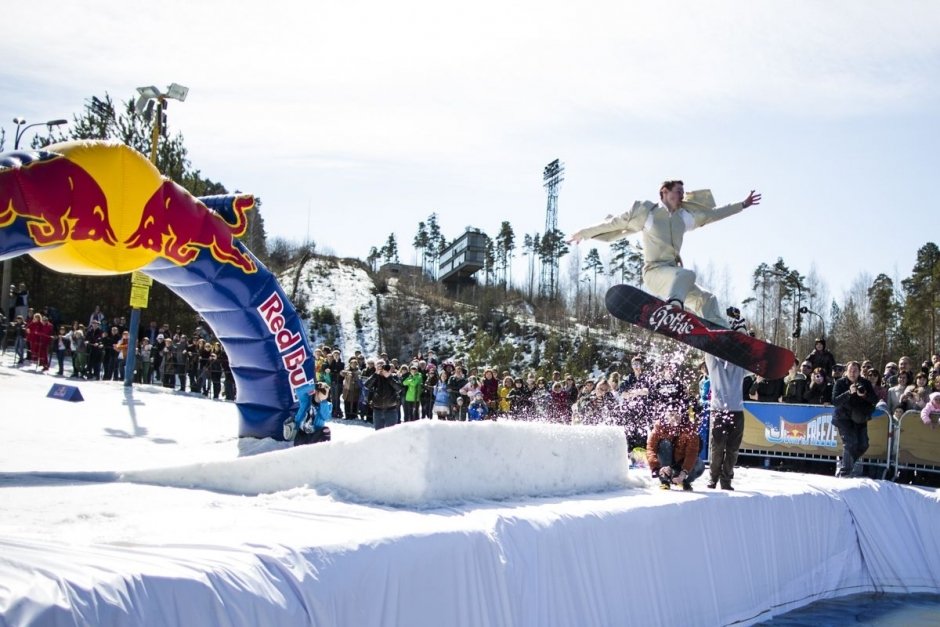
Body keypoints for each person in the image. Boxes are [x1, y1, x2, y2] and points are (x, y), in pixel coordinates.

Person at [569, 180, 760, 325]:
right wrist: (583, 233)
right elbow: (613, 224)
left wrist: (742, 205)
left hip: (675, 280)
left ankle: (722, 331)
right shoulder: (647, 213)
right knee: (687, 274)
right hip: (654, 273)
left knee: (707, 298)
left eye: (683, 193)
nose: (681, 196)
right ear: (664, 192)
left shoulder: (683, 218)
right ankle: (673, 309)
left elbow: (714, 214)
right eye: (678, 192)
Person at [704, 316, 749, 490]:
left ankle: (726, 480)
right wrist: (720, 331)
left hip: (737, 412)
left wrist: (741, 332)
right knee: (717, 449)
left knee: (732, 450)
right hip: (718, 411)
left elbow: (749, 353)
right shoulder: (714, 364)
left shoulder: (740, 366)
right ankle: (713, 478)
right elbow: (708, 346)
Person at [831, 361, 877, 478]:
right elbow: (835, 401)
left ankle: (848, 465)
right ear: (846, 371)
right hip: (843, 418)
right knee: (850, 443)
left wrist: (864, 395)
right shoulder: (840, 383)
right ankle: (845, 472)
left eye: (855, 370)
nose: (853, 373)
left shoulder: (865, 383)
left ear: (859, 372)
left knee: (863, 445)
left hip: (860, 417)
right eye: (850, 370)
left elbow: (875, 400)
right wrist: (848, 393)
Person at [646, 408, 705, 491]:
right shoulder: (659, 426)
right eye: (671, 415)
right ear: (666, 415)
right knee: (665, 443)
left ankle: (684, 481)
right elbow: (650, 448)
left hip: (680, 464)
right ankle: (664, 480)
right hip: (665, 462)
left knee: (700, 465)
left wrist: (684, 472)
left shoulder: (690, 429)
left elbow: (692, 453)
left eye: (677, 415)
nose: (674, 418)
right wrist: (656, 468)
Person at [364, 360, 403, 430]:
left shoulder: (393, 376)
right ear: (376, 367)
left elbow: (399, 388)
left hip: (391, 409)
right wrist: (375, 374)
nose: (381, 368)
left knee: (391, 433)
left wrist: (389, 377)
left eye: (383, 365)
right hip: (377, 410)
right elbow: (367, 386)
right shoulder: (375, 376)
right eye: (379, 365)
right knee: (378, 433)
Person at [292, 381, 332, 446]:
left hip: (315, 435)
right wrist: (314, 386)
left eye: (327, 392)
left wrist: (323, 401)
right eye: (323, 391)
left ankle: (322, 452)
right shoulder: (306, 400)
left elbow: (326, 417)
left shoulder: (327, 404)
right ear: (316, 391)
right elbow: (298, 391)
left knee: (326, 430)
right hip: (302, 434)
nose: (325, 394)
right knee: (300, 451)